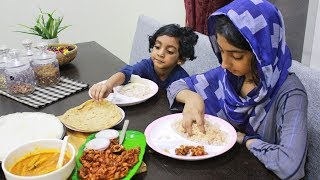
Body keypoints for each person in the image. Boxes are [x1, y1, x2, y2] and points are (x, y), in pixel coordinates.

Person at [167, 0, 307, 179]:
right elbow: (176, 86)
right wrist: (191, 98)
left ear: (261, 54)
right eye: (221, 51)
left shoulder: (291, 95)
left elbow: (290, 165)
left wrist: (244, 139)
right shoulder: (231, 76)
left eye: (236, 56)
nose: (224, 64)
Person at [90, 24, 198, 101]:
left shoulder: (181, 78)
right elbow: (126, 73)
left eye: (169, 51)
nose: (160, 53)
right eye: (157, 47)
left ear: (181, 59)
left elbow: (188, 97)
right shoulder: (147, 65)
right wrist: (108, 85)